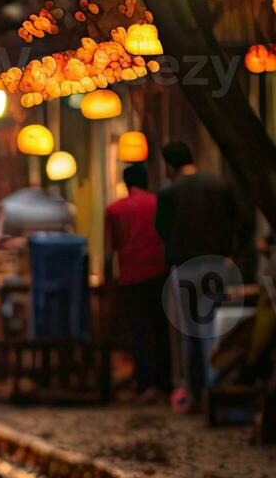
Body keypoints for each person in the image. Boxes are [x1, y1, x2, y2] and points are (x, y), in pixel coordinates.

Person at [155, 141, 248, 410]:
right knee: (210, 329)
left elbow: (161, 228)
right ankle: (213, 389)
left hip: (184, 267)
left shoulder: (170, 193)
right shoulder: (219, 185)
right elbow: (243, 221)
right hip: (216, 265)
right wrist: (233, 254)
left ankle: (194, 391)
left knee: (189, 332)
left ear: (170, 166)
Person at [104, 163, 170, 399]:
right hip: (160, 273)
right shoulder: (159, 203)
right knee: (161, 328)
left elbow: (108, 252)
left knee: (139, 330)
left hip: (131, 276)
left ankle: (144, 381)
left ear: (125, 183)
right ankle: (164, 381)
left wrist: (109, 282)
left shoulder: (114, 210)